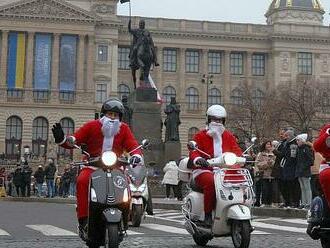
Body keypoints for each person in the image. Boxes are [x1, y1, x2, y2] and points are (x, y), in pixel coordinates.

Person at [51, 98, 143, 235]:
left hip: (115, 166)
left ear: (120, 117)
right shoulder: (91, 126)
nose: (112, 118)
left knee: (126, 183)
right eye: (109, 114)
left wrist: (136, 155)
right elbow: (75, 139)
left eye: (115, 115)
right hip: (92, 166)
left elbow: (133, 145)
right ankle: (83, 219)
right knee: (82, 181)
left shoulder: (124, 129)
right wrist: (62, 139)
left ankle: (125, 216)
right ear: (103, 114)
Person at [188, 104, 242, 227]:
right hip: (204, 169)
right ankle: (207, 215)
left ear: (224, 121)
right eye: (214, 119)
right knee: (211, 182)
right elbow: (193, 151)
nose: (217, 122)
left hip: (224, 169)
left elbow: (236, 149)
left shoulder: (228, 136)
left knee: (240, 180)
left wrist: (242, 157)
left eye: (220, 120)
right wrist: (198, 158)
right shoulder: (200, 135)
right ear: (208, 120)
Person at [313, 124, 330, 208]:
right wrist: (326, 135)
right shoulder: (327, 128)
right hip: (327, 164)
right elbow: (317, 146)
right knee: (326, 176)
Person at [295, 133, 314, 209]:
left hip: (305, 171)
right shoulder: (299, 149)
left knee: (307, 187)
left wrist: (303, 167)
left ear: (302, 141)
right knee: (302, 188)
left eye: (298, 140)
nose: (297, 142)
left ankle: (309, 203)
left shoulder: (306, 149)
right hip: (299, 171)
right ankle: (303, 202)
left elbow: (311, 161)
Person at [255, 140, 276, 207]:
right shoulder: (261, 154)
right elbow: (258, 164)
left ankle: (271, 202)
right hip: (264, 174)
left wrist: (271, 163)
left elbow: (276, 163)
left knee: (272, 189)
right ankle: (264, 202)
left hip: (272, 174)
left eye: (270, 144)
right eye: (267, 144)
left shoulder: (274, 154)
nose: (269, 146)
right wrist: (266, 163)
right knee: (264, 189)